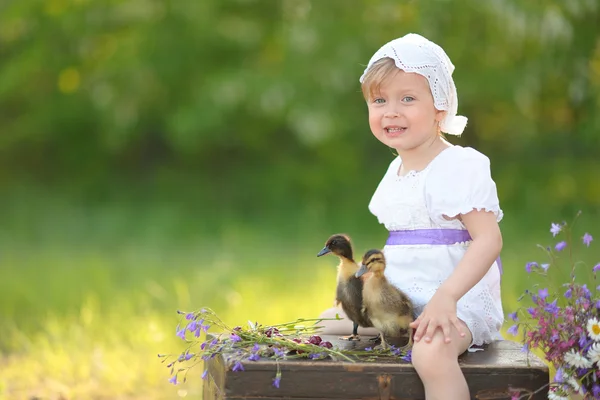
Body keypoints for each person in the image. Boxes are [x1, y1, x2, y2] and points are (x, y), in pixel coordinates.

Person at [318, 33, 504, 400]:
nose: (391, 111)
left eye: (407, 99)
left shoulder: (460, 165)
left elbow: (489, 240)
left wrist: (447, 297)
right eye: (379, 100)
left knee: (431, 353)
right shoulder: (395, 172)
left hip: (453, 300)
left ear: (440, 108)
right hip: (397, 299)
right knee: (327, 322)